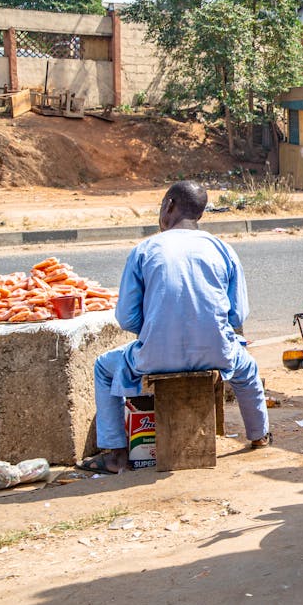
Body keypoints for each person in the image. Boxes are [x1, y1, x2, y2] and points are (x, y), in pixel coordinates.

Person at [81, 181, 270, 474]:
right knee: (247, 372)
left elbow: (127, 319)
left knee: (104, 369)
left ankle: (116, 453)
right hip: (216, 353)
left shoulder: (144, 249)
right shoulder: (222, 249)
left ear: (169, 205)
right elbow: (237, 315)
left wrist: (158, 329)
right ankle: (259, 436)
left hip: (154, 358)